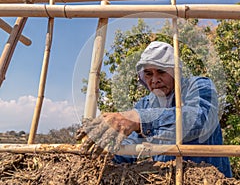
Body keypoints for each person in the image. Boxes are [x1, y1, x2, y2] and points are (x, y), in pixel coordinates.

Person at [77, 41, 232, 178]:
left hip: (208, 179)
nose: (154, 80)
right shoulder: (145, 105)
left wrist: (139, 119)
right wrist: (105, 150)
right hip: (166, 179)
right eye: (148, 74)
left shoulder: (199, 86)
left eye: (161, 72)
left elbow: (199, 119)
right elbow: (130, 147)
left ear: (175, 72)